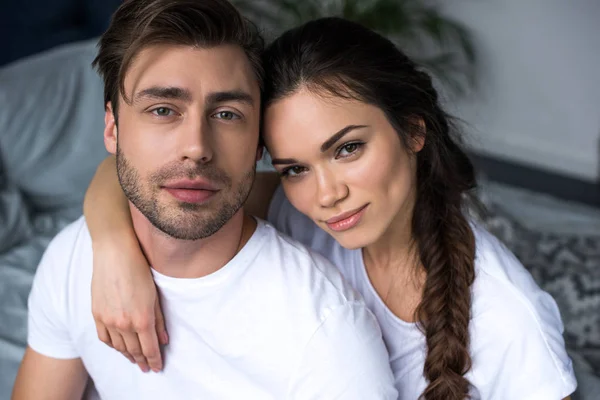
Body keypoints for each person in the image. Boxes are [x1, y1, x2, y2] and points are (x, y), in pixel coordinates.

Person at [82, 16, 577, 400]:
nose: (326, 194)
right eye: (295, 167)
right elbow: (131, 180)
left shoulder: (512, 325)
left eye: (347, 149)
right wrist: (113, 254)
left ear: (413, 131)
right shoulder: (297, 209)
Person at [11, 2, 400, 399]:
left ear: (258, 145)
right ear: (112, 129)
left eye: (227, 114)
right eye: (163, 110)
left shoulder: (327, 337)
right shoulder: (74, 258)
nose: (196, 147)